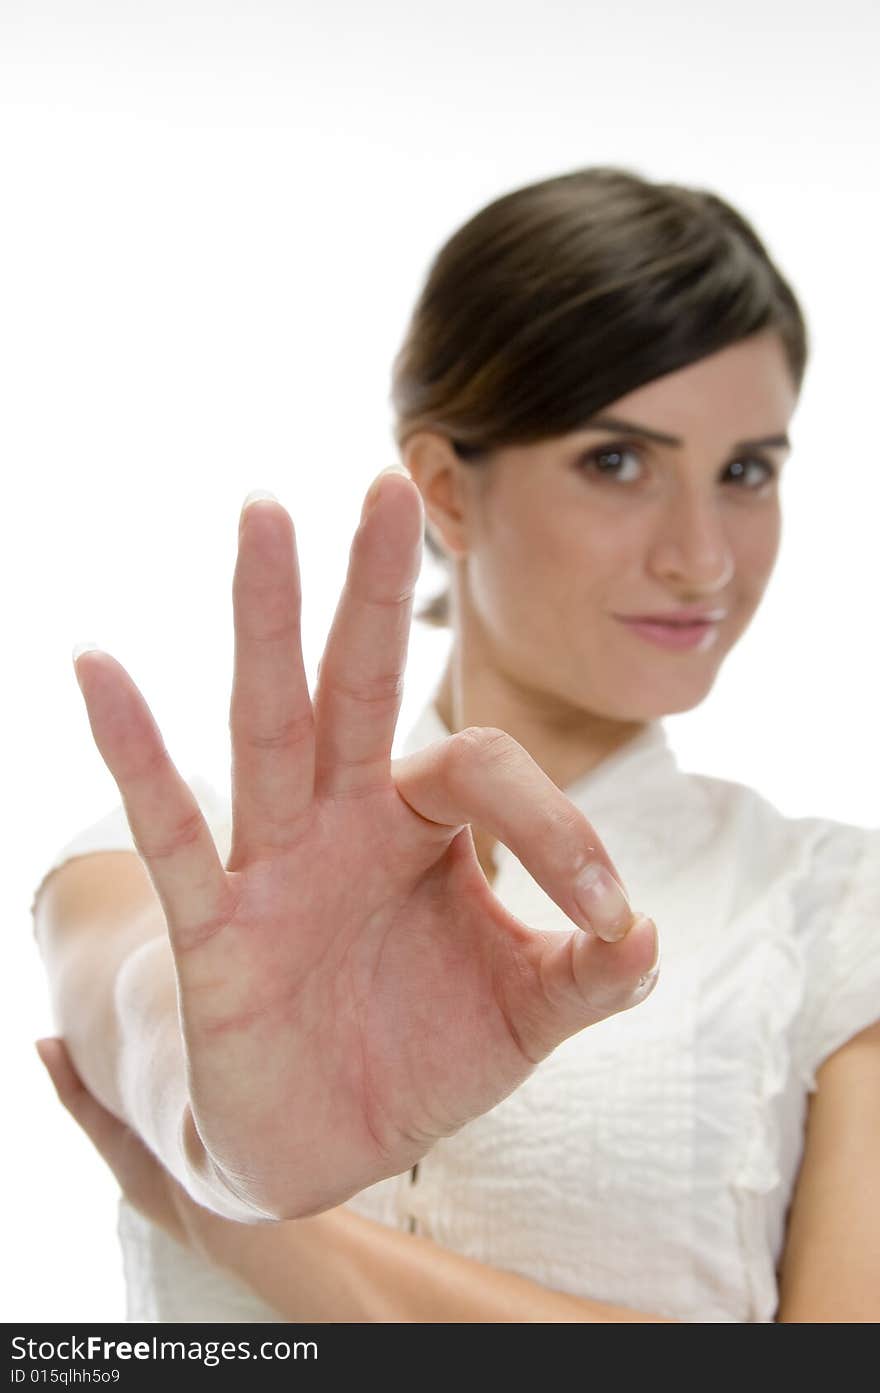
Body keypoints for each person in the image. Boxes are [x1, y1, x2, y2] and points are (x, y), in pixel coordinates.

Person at [31, 166, 880, 1323]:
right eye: (616, 461)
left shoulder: (835, 908)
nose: (704, 559)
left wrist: (277, 1240)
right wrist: (218, 1141)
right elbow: (136, 1016)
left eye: (745, 473)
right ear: (445, 488)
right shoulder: (173, 858)